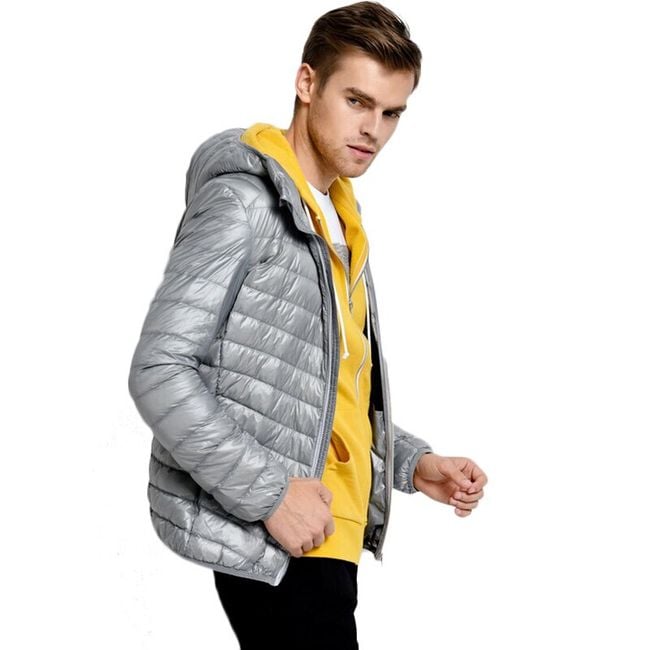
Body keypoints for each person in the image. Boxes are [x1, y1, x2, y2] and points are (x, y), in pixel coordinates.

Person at [128, 2, 488, 647]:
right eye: (357, 101)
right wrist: (270, 496)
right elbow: (159, 370)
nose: (373, 129)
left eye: (392, 113)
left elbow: (317, 394)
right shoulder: (244, 203)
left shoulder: (338, 221)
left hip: (331, 534)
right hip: (280, 539)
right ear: (306, 83)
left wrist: (412, 463)